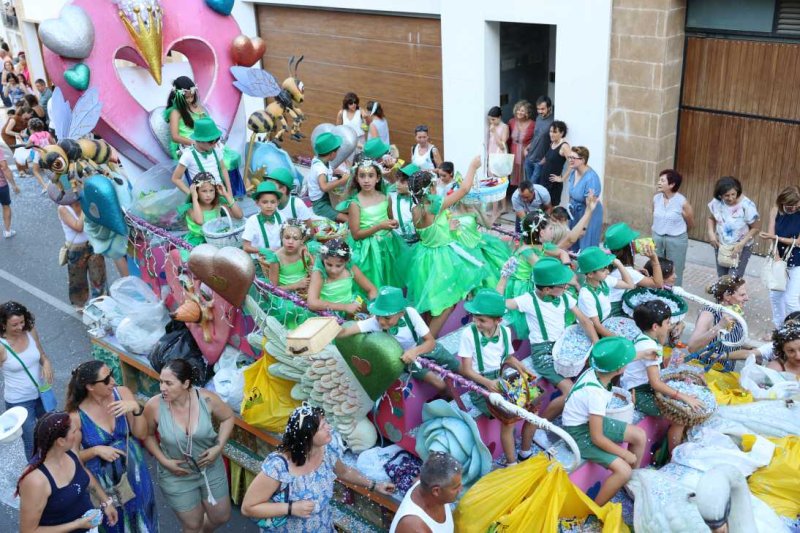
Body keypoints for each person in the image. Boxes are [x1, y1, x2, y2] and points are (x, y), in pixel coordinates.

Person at [241, 403, 395, 531]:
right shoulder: (279, 467)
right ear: (307, 436)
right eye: (323, 426)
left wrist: (375, 485)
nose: (329, 428)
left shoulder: (327, 450)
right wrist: (291, 508)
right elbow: (248, 507)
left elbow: (345, 472)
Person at [142, 359, 234, 533]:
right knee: (192, 526)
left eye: (169, 383)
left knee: (221, 516)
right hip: (176, 475)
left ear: (186, 383)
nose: (162, 388)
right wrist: (163, 461)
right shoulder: (154, 405)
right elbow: (147, 435)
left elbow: (228, 417)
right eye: (161, 381)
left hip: (210, 468)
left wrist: (218, 447)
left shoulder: (206, 399)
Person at [66, 361, 158, 532]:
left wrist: (136, 409)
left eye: (112, 374)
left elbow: (141, 434)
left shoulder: (122, 393)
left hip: (135, 473)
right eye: (106, 379)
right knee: (117, 526)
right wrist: (95, 450)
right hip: (106, 486)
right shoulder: (76, 417)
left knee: (145, 522)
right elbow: (72, 460)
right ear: (90, 386)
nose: (114, 381)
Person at [502, 258, 599, 420]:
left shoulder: (565, 297)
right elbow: (501, 304)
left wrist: (596, 344)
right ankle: (543, 423)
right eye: (562, 285)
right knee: (571, 392)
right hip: (543, 353)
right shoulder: (529, 300)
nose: (566, 287)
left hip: (563, 347)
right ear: (547, 289)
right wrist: (504, 277)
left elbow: (584, 320)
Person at [402, 157, 487, 337]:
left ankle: (423, 333)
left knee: (430, 300)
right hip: (439, 259)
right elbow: (464, 189)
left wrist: (445, 228)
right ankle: (428, 341)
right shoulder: (435, 206)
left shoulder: (415, 209)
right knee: (446, 304)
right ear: (431, 189)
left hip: (423, 257)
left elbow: (428, 231)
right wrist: (472, 166)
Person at [561, 337, 647, 505]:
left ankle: (629, 485)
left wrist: (644, 354)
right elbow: (597, 438)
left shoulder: (597, 370)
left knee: (640, 435)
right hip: (577, 433)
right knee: (623, 470)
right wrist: (624, 453)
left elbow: (618, 361)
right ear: (619, 369)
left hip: (587, 421)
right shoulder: (596, 395)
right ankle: (595, 510)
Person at [458, 289, 536, 465]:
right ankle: (511, 463)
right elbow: (466, 371)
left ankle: (525, 451)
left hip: (502, 377)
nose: (476, 322)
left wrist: (522, 368)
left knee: (533, 409)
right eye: (474, 318)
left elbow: (507, 357)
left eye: (482, 320)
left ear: (498, 320)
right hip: (480, 383)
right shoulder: (468, 334)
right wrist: (488, 383)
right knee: (508, 419)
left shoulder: (505, 332)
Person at [338, 286, 460, 393]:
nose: (381, 321)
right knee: (439, 383)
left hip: (420, 345)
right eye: (378, 316)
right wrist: (331, 331)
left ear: (401, 313)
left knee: (456, 365)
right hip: (404, 358)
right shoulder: (374, 322)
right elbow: (347, 331)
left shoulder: (410, 313)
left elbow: (431, 342)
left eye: (387, 317)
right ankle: (447, 395)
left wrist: (415, 351)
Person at [17, 412, 119, 533]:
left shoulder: (70, 453)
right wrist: (77, 524)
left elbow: (84, 474)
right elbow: (28, 531)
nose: (78, 435)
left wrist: (106, 501)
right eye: (74, 432)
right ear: (60, 441)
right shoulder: (35, 481)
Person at [624, 301, 702, 452]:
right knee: (680, 417)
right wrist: (684, 397)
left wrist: (669, 361)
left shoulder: (645, 338)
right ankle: (673, 457)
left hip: (643, 386)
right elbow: (655, 383)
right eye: (667, 323)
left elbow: (654, 367)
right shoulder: (649, 346)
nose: (669, 326)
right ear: (655, 326)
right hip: (638, 393)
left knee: (685, 399)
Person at [497, 210, 570, 340]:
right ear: (542, 233)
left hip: (535, 280)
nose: (553, 231)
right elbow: (545, 271)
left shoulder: (541, 245)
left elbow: (562, 253)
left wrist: (566, 268)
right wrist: (567, 279)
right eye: (551, 228)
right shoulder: (527, 251)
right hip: (522, 286)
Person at [0, 301, 53, 459]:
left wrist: (47, 364)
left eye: (22, 322)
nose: (20, 327)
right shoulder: (2, 347)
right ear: (3, 325)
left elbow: (42, 355)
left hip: (41, 395)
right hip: (19, 401)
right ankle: (35, 475)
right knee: (32, 443)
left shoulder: (30, 331)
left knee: (51, 433)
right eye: (14, 325)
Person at [345, 157, 407, 289]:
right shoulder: (355, 204)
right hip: (368, 249)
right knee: (373, 280)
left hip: (388, 245)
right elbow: (356, 234)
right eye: (362, 176)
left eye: (371, 176)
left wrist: (393, 223)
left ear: (378, 178)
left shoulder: (385, 198)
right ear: (356, 178)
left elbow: (390, 219)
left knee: (389, 276)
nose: (366, 180)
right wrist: (379, 226)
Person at [687, 275, 752, 371]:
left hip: (724, 376)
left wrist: (752, 350)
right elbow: (692, 347)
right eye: (742, 295)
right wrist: (719, 327)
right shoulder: (709, 314)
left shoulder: (736, 314)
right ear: (727, 296)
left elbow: (728, 342)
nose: (747, 298)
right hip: (704, 374)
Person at [259, 220, 315, 329]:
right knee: (292, 311)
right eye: (287, 237)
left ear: (302, 240)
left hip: (305, 289)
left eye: (295, 238)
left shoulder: (304, 251)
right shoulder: (276, 258)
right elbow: (273, 289)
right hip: (286, 295)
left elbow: (313, 269)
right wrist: (296, 285)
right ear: (281, 237)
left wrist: (312, 272)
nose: (290, 242)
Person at [389, 452, 461, 533]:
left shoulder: (426, 483)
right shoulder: (414, 527)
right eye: (455, 487)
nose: (461, 489)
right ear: (436, 491)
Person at [759, 185, 800, 327]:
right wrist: (776, 255)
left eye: (796, 206)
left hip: (797, 260)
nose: (793, 209)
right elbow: (771, 234)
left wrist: (776, 238)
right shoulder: (775, 210)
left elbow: (799, 243)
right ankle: (779, 329)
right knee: (775, 296)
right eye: (789, 206)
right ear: (782, 202)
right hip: (779, 257)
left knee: (791, 299)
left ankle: (796, 330)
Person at [603, 222, 663, 317]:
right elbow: (658, 283)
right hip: (614, 313)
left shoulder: (608, 263)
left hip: (606, 308)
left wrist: (635, 270)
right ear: (630, 248)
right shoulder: (629, 272)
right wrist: (654, 259)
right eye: (633, 243)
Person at [550, 146, 604, 250]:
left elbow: (590, 203)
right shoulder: (573, 172)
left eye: (573, 158)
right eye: (569, 157)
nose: (570, 160)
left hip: (589, 213)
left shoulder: (591, 179)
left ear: (583, 160)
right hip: (575, 212)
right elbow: (571, 193)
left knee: (586, 243)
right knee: (573, 241)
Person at [58, 200, 108, 311]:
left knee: (98, 276)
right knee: (78, 280)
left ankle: (99, 301)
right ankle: (79, 303)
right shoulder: (63, 208)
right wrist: (85, 207)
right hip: (76, 250)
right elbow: (78, 227)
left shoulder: (85, 200)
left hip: (93, 245)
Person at [307, 238, 377, 317]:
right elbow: (312, 303)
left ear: (347, 261)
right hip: (328, 312)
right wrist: (344, 307)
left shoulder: (350, 268)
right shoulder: (320, 273)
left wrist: (374, 311)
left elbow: (371, 289)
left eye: (338, 266)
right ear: (323, 260)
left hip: (351, 308)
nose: (333, 270)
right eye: (329, 264)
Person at [576, 246, 635, 338]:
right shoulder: (586, 295)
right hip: (592, 329)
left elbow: (630, 285)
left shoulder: (605, 280)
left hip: (606, 320)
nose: (607, 271)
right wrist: (618, 339)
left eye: (607, 267)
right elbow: (596, 326)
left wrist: (619, 265)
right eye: (603, 269)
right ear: (591, 274)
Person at [707, 176, 760, 277]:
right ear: (720, 195)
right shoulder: (716, 202)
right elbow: (711, 218)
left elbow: (756, 228)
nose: (731, 198)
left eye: (733, 194)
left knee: (733, 280)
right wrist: (711, 234)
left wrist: (741, 244)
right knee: (722, 277)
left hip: (741, 247)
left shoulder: (747, 205)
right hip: (721, 245)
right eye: (726, 195)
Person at [171, 117, 234, 197]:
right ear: (199, 140)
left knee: (233, 209)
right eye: (211, 142)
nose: (215, 145)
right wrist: (191, 195)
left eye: (216, 141)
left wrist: (229, 191)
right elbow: (176, 178)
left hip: (219, 191)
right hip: (203, 197)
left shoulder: (216, 149)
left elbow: (223, 168)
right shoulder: (188, 155)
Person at [651, 169, 693, 286]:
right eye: (659, 180)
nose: (659, 183)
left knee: (676, 270)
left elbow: (690, 222)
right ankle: (657, 292)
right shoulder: (656, 198)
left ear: (672, 184)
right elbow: (654, 215)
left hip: (676, 240)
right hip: (657, 237)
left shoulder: (682, 202)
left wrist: (678, 233)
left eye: (662, 180)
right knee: (656, 267)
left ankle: (674, 296)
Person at [179, 173, 242, 248]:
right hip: (199, 242)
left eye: (211, 190)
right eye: (204, 191)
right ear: (196, 192)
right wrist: (194, 198)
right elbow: (200, 221)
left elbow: (239, 216)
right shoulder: (190, 207)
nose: (208, 195)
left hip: (217, 240)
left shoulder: (218, 204)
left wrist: (226, 195)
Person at [307, 132, 349, 222]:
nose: (337, 154)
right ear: (332, 154)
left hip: (327, 199)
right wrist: (342, 181)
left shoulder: (321, 161)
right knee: (348, 219)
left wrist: (335, 173)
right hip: (320, 205)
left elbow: (327, 172)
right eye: (337, 151)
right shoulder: (320, 169)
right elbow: (324, 187)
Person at [243, 181, 284, 262]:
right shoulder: (252, 221)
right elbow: (246, 247)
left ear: (278, 203)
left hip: (280, 257)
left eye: (273, 202)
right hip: (260, 260)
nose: (269, 206)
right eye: (265, 202)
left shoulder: (281, 217)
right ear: (257, 203)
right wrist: (263, 250)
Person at [535, 120, 570, 205]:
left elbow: (572, 164)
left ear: (561, 133)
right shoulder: (553, 143)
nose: (551, 134)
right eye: (550, 131)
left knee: (550, 209)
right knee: (541, 207)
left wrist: (562, 179)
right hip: (544, 180)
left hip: (553, 184)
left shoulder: (564, 146)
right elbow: (547, 159)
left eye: (554, 132)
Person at [523, 96, 555, 184]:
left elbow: (554, 142)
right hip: (529, 157)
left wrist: (546, 158)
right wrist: (527, 148)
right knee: (528, 185)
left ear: (549, 108)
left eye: (543, 109)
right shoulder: (538, 118)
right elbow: (536, 136)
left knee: (533, 186)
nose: (540, 111)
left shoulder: (553, 121)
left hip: (540, 160)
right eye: (538, 109)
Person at [389, 163, 419, 245]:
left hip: (416, 242)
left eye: (402, 181)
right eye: (397, 180)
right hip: (397, 242)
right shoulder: (392, 195)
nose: (397, 184)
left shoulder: (418, 199)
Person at [506, 100, 534, 187]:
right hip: (513, 152)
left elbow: (536, 139)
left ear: (527, 112)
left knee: (525, 175)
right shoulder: (511, 122)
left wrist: (529, 147)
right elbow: (507, 138)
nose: (519, 112)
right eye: (518, 109)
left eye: (522, 110)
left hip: (525, 153)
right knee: (512, 174)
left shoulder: (533, 124)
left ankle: (524, 193)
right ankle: (515, 193)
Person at [26, 116, 52, 194]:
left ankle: (45, 186)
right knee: (49, 170)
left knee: (35, 171)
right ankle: (53, 183)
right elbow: (53, 143)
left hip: (39, 155)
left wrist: (35, 148)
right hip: (48, 153)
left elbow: (27, 146)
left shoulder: (33, 136)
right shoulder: (47, 133)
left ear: (31, 128)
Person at [486, 106, 509, 178]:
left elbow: (502, 146)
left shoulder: (504, 127)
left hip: (499, 156)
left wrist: (494, 132)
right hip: (491, 156)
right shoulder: (492, 125)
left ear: (499, 117)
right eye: (490, 120)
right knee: (491, 179)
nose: (491, 122)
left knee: (500, 178)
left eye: (493, 119)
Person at [0, 148, 18, 237]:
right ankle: (7, 231)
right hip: (1, 185)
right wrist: (14, 185)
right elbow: (4, 167)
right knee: (6, 206)